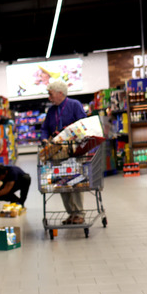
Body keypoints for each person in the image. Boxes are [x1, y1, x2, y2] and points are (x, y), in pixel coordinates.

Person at [42, 80, 87, 224]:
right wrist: (44, 139)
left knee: (75, 182)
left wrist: (68, 133)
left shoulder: (74, 105)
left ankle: (79, 213)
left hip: (73, 151)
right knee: (62, 184)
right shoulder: (51, 111)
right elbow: (44, 128)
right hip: (57, 153)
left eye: (51, 94)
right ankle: (71, 213)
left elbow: (82, 126)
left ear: (60, 93)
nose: (49, 98)